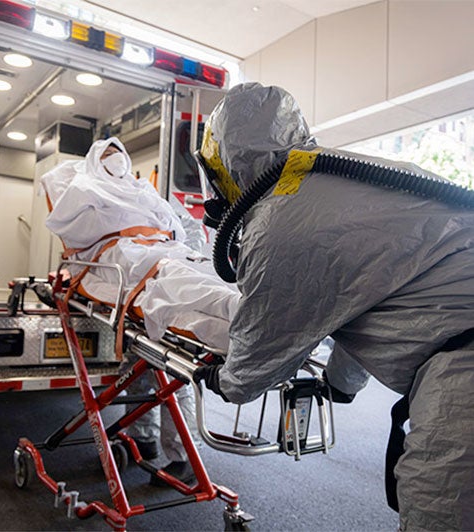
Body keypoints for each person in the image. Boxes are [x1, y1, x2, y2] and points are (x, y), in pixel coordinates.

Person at [193, 82, 474, 530]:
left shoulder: (280, 223)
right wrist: (342, 384)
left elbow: (259, 352)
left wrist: (223, 381)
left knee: (439, 508)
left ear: (227, 162)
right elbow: (365, 295)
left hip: (464, 373)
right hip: (459, 343)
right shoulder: (346, 178)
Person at [41, 138, 240, 485]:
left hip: (164, 254)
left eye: (118, 157)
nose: (115, 163)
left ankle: (169, 449)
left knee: (188, 289)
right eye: (107, 158)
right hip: (126, 261)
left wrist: (177, 246)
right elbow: (79, 237)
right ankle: (147, 442)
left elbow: (182, 228)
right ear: (94, 162)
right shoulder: (84, 189)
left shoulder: (143, 191)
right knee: (151, 353)